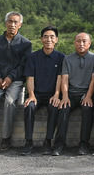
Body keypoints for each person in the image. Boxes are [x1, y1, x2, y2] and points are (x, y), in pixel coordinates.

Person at [0, 11, 32, 152]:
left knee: (10, 102)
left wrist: (10, 77)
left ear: (20, 25)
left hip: (15, 81)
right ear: (5, 23)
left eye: (16, 22)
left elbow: (23, 65)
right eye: (10, 21)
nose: (12, 24)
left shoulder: (25, 44)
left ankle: (6, 137)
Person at [21, 26, 65, 155]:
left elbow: (60, 78)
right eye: (45, 37)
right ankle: (28, 141)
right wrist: (31, 95)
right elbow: (30, 78)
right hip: (36, 94)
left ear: (56, 40)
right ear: (41, 39)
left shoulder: (61, 57)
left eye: (52, 37)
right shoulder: (33, 57)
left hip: (52, 94)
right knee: (29, 107)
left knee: (54, 107)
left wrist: (56, 94)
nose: (48, 39)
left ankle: (48, 141)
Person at [56, 32, 94, 155]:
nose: (81, 44)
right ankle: (59, 144)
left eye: (84, 41)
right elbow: (64, 79)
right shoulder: (67, 59)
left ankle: (84, 144)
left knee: (87, 108)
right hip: (71, 92)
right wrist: (65, 97)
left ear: (89, 43)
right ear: (74, 43)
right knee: (63, 108)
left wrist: (88, 96)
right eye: (78, 41)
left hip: (87, 92)